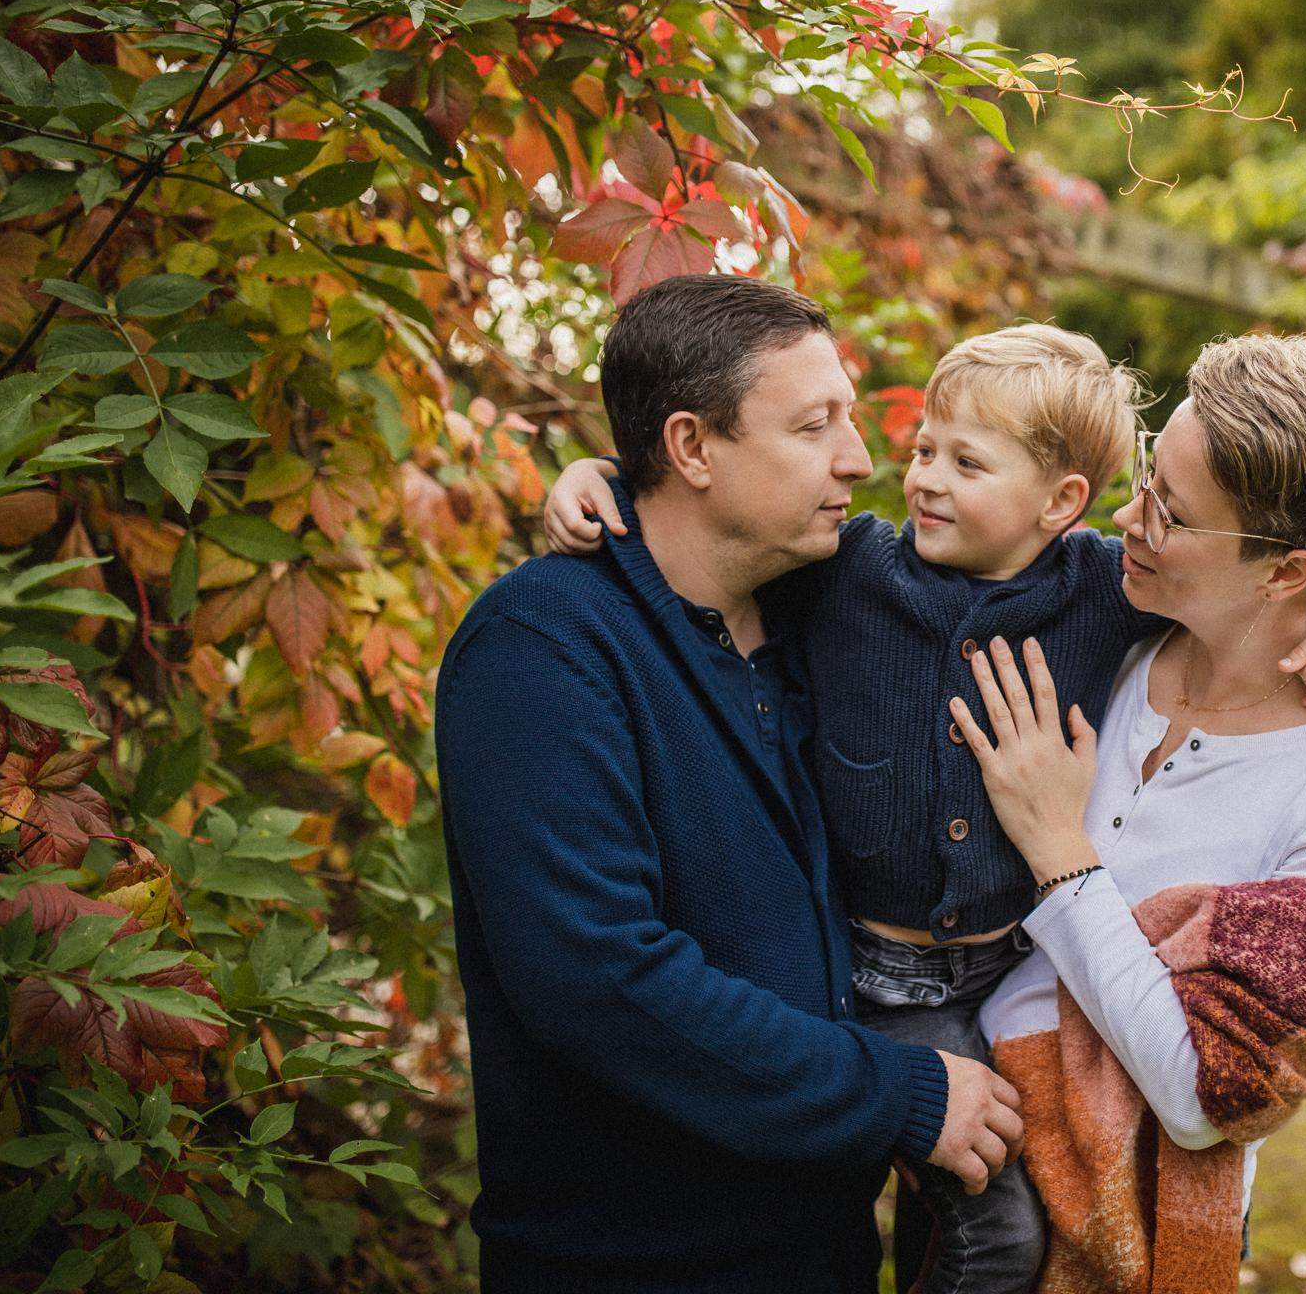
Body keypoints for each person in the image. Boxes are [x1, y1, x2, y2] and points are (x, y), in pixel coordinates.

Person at [540, 322, 1306, 1292]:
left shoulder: (1103, 590)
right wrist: (603, 478)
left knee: (969, 1218)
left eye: (967, 462)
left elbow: (1274, 569)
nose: (925, 479)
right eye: (924, 451)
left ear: (1062, 504)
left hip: (999, 979)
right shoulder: (849, 568)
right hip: (876, 976)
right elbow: (718, 519)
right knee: (988, 1229)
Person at [433, 275, 1026, 1294]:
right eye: (813, 426)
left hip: (825, 1257)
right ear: (693, 448)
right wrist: (898, 1095)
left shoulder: (823, 612)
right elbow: (601, 983)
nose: (860, 457)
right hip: (630, 1269)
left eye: (849, 417)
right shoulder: (543, 648)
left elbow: (1080, 579)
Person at [959, 333, 1306, 1290]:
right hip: (967, 1163)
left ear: (1284, 573)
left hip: (1129, 1221)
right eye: (1148, 479)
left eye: (1172, 514)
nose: (1127, 516)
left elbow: (1206, 1096)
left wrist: (1061, 855)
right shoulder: (1104, 627)